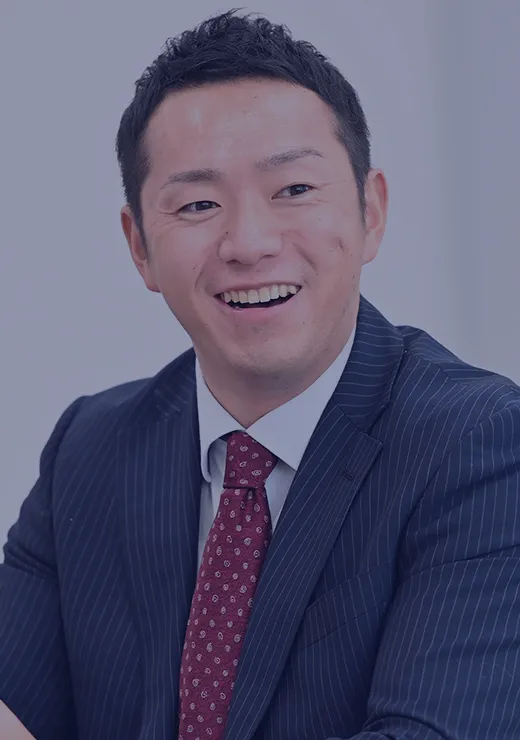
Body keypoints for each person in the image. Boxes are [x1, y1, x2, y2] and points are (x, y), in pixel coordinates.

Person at [2, 9, 520, 740]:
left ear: (371, 210)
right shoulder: (90, 449)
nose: (248, 242)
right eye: (198, 204)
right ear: (139, 246)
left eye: (294, 190)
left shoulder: (480, 444)